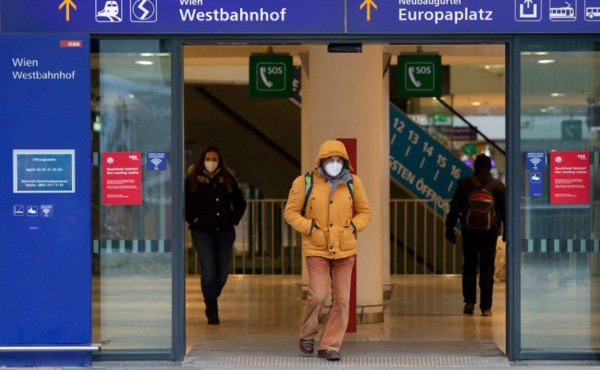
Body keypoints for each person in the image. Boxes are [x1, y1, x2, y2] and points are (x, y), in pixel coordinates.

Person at [284, 140, 372, 361]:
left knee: (342, 299)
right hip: (316, 246)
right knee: (319, 293)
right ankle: (307, 333)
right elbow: (291, 212)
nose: (334, 163)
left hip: (345, 248)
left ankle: (329, 345)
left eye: (338, 159)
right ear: (321, 161)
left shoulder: (353, 182)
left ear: (344, 162)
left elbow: (365, 212)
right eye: (330, 159)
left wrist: (352, 226)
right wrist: (310, 228)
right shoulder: (304, 182)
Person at [185, 146, 247, 325]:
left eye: (214, 159)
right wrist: (193, 219)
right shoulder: (192, 180)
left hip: (225, 233)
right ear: (202, 160)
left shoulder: (226, 179)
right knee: (209, 269)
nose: (211, 162)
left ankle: (211, 294)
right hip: (202, 232)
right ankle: (211, 308)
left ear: (219, 161)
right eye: (208, 158)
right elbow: (184, 205)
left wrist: (233, 219)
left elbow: (240, 203)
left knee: (222, 273)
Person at [445, 153, 506, 317]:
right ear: (490, 167)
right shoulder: (498, 186)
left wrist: (449, 229)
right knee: (487, 268)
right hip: (490, 232)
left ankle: (469, 302)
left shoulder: (465, 184)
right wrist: (506, 232)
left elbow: (455, 208)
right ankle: (486, 307)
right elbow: (504, 210)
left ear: (475, 166)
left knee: (469, 266)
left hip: (469, 231)